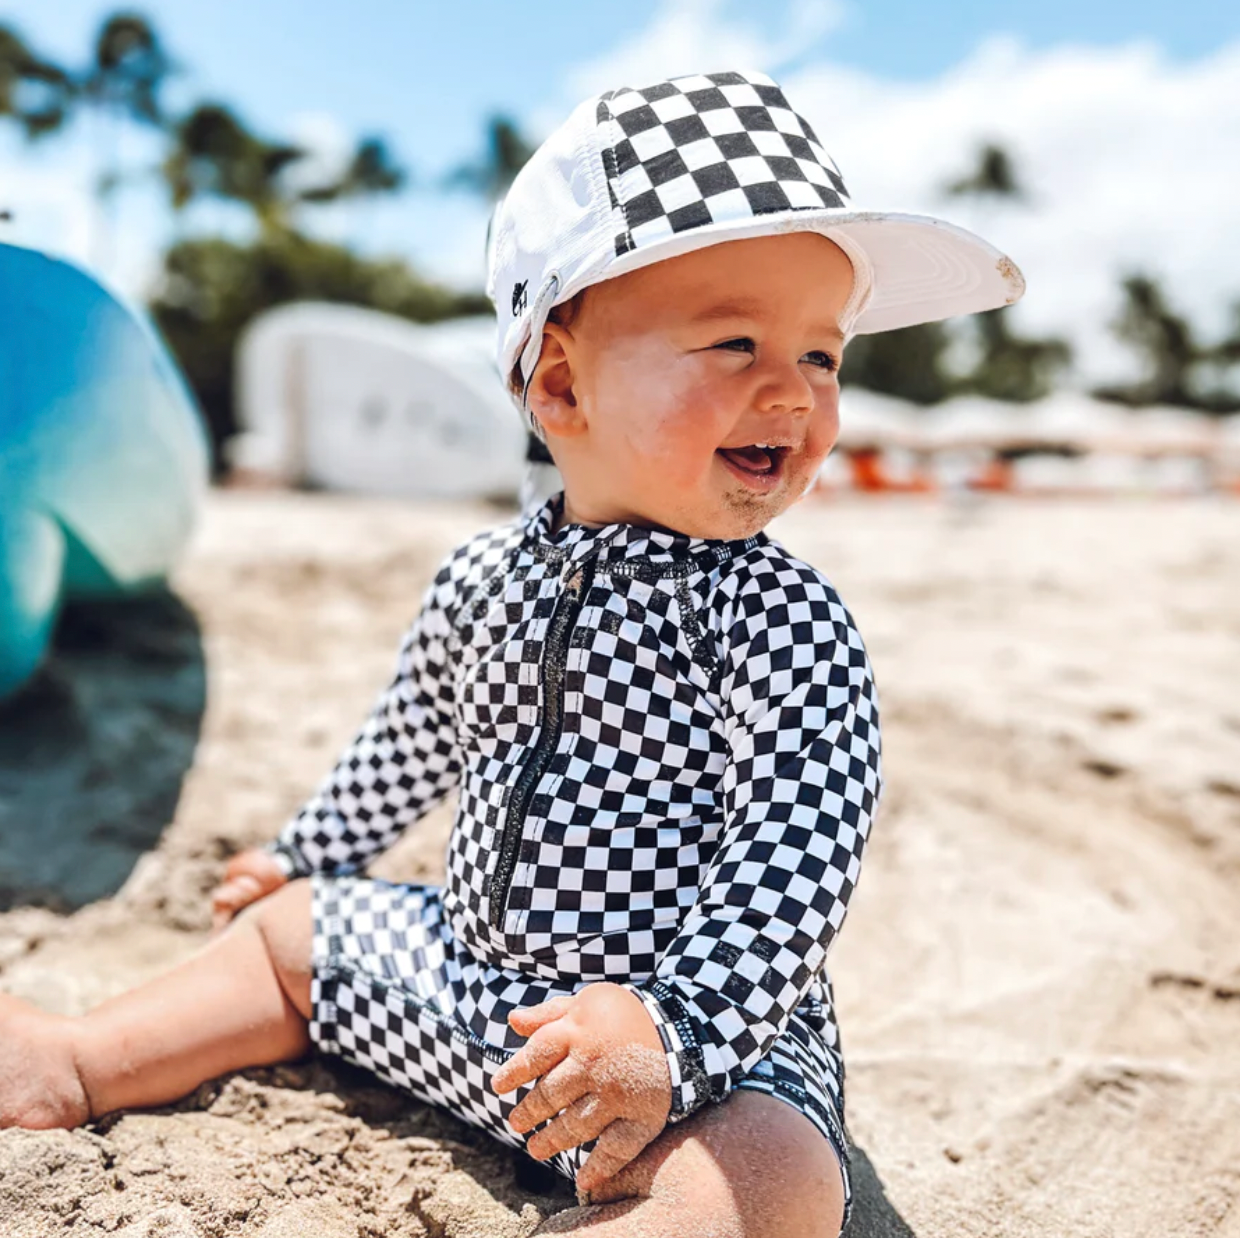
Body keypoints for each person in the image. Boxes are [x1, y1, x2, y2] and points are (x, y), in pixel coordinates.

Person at [0, 69, 1023, 1237]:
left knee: (777, 1170)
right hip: (475, 987)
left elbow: (800, 848)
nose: (792, 391)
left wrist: (674, 1026)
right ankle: (78, 1060)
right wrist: (306, 854)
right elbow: (411, 737)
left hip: (689, 1042)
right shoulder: (484, 580)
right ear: (559, 384)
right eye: (735, 342)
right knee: (287, 943)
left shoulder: (779, 615)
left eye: (824, 356)